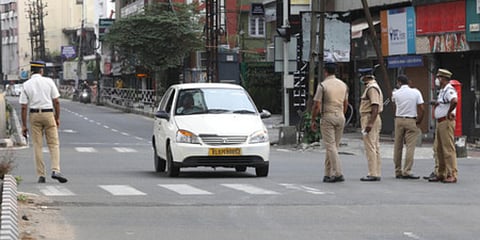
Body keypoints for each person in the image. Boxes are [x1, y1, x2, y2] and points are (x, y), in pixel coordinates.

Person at [19, 61, 68, 184]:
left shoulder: (26, 84)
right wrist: (57, 117)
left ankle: (41, 175)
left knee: (37, 145)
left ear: (31, 71)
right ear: (41, 71)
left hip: (34, 115)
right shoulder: (49, 82)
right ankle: (55, 170)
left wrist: (24, 125)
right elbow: (56, 101)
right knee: (54, 144)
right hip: (48, 114)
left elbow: (24, 107)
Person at [310, 61, 349, 183]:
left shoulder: (323, 85)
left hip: (328, 116)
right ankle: (327, 173)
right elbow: (345, 103)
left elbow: (317, 105)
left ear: (325, 72)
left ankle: (338, 173)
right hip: (340, 116)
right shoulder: (343, 85)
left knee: (330, 146)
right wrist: (342, 113)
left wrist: (313, 119)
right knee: (333, 146)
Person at [428, 68, 458, 183]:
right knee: (438, 149)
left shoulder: (449, 89)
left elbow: (454, 101)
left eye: (438, 78)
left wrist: (450, 112)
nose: (437, 80)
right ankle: (441, 172)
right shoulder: (442, 90)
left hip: (446, 122)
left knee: (448, 149)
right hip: (440, 122)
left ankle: (452, 173)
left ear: (443, 79)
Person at [391, 75, 424, 179]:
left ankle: (398, 170)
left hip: (399, 119)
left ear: (399, 82)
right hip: (411, 119)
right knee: (410, 146)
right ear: (408, 82)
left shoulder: (396, 93)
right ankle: (407, 170)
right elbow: (422, 108)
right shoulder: (416, 92)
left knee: (398, 146)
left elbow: (393, 103)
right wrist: (419, 120)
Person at [358, 68, 384, 182]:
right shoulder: (372, 86)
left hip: (369, 117)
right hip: (371, 117)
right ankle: (376, 172)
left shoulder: (372, 88)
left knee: (370, 146)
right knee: (375, 146)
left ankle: (373, 173)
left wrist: (370, 123)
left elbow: (375, 106)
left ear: (366, 76)